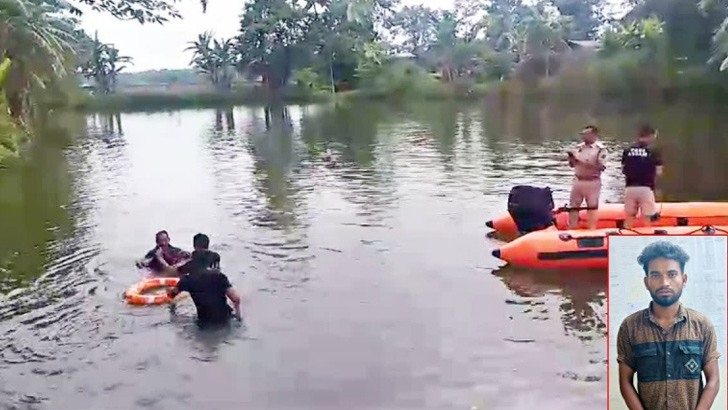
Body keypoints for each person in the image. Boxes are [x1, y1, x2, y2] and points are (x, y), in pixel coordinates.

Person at [616, 241, 721, 410]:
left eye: (672, 274)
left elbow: (713, 380)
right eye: (656, 275)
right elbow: (625, 382)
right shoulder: (630, 327)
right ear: (646, 282)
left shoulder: (702, 325)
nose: (664, 282)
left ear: (684, 279)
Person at [167, 233, 242, 328]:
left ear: (195, 246)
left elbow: (171, 295)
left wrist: (168, 292)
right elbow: (236, 299)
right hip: (226, 319)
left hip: (204, 323)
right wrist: (238, 318)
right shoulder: (220, 276)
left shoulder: (186, 280)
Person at [621, 125, 663, 228]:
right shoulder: (653, 151)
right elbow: (659, 172)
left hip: (630, 187)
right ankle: (646, 237)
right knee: (647, 217)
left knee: (629, 217)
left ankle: (626, 237)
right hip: (646, 187)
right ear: (651, 136)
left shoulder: (627, 150)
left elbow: (623, 168)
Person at [567, 125, 608, 230]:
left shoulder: (600, 149)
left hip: (592, 181)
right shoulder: (578, 148)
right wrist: (572, 158)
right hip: (578, 179)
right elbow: (572, 165)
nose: (583, 136)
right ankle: (572, 227)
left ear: (593, 135)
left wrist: (583, 162)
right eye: (582, 134)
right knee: (573, 206)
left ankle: (592, 229)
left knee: (592, 206)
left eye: (586, 134)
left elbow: (601, 167)